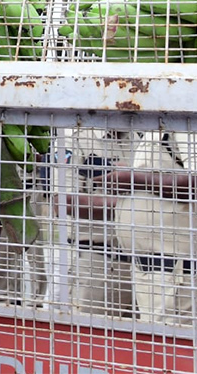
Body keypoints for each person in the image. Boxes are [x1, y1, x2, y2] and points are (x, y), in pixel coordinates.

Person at [106, 128, 197, 326]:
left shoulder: (188, 121)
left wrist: (133, 179)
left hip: (175, 273)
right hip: (154, 271)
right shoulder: (155, 127)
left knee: (171, 344)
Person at [60, 127, 137, 318]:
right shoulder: (75, 138)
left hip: (141, 261)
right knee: (88, 331)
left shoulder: (139, 136)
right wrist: (130, 205)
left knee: (140, 333)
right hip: (96, 258)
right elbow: (63, 201)